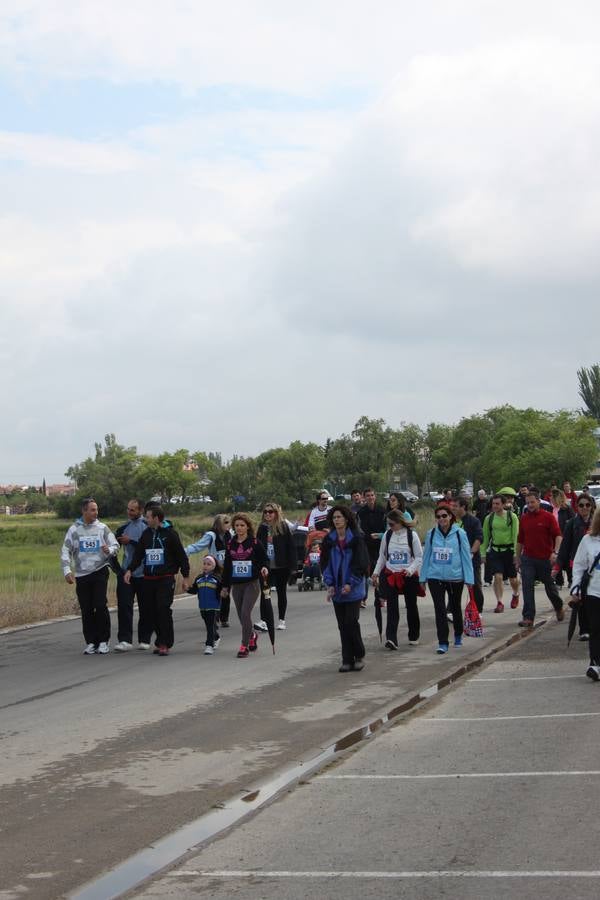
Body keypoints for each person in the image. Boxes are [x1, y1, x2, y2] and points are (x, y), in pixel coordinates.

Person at [123, 503, 190, 656]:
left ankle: (165, 643)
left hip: (165, 578)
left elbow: (181, 556)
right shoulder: (146, 534)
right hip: (149, 579)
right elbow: (139, 555)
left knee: (163, 608)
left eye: (148, 517)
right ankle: (160, 640)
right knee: (151, 611)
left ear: (157, 518)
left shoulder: (170, 534)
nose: (146, 520)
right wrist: (130, 570)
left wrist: (185, 577)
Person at [61, 498, 119, 654]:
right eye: (92, 510)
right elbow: (66, 549)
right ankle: (91, 642)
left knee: (100, 605)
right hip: (82, 574)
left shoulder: (102, 528)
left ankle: (103, 641)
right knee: (86, 608)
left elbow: (115, 544)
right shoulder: (74, 530)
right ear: (84, 511)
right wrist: (67, 570)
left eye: (97, 509)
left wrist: (110, 550)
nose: (96, 512)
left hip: (100, 570)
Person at [320, 505, 369, 672]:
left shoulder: (356, 538)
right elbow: (325, 563)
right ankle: (347, 659)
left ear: (347, 519)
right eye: (334, 518)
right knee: (342, 624)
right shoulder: (329, 540)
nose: (337, 520)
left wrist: (351, 583)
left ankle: (359, 655)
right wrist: (330, 584)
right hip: (337, 590)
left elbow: (361, 563)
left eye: (339, 517)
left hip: (353, 589)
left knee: (351, 622)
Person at [420, 504, 474, 654]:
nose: (441, 519)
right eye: (438, 517)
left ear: (450, 516)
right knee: (439, 609)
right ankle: (442, 642)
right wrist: (422, 578)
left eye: (444, 516)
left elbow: (466, 557)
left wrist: (469, 579)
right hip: (435, 576)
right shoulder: (431, 534)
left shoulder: (460, 533)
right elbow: (426, 557)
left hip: (455, 577)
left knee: (455, 607)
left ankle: (458, 634)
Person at [372, 509, 422, 649]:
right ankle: (391, 638)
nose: (390, 527)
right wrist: (376, 573)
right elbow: (382, 557)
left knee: (411, 605)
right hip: (391, 575)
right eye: (388, 524)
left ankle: (413, 634)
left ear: (400, 522)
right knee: (392, 607)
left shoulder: (412, 536)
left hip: (408, 576)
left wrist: (410, 570)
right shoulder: (387, 536)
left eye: (392, 524)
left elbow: (419, 557)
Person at [220, 513, 269, 658]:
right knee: (242, 616)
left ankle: (244, 645)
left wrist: (265, 567)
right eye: (237, 525)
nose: (239, 528)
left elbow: (264, 559)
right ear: (233, 527)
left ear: (247, 526)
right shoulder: (230, 544)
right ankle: (252, 635)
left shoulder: (254, 542)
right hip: (237, 585)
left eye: (242, 525)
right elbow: (228, 567)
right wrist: (225, 587)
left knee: (245, 613)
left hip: (251, 584)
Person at [515, 489, 564, 627]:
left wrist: (555, 552)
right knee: (527, 587)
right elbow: (520, 540)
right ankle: (528, 617)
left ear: (538, 502)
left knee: (550, 587)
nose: (530, 505)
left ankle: (558, 606)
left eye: (532, 502)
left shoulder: (548, 517)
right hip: (528, 559)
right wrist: (518, 558)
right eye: (527, 503)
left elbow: (558, 535)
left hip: (545, 559)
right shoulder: (524, 519)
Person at [557, 494, 596, 640]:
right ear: (577, 507)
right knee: (581, 598)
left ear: (592, 507)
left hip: (595, 568)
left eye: (587, 505)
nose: (584, 508)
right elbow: (565, 546)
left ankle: (594, 627)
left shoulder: (596, 524)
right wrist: (558, 566)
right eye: (581, 505)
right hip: (577, 566)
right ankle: (584, 629)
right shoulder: (571, 523)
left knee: (593, 598)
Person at [114, 499, 150, 651]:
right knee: (124, 607)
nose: (129, 513)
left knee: (146, 607)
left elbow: (148, 547)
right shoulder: (123, 528)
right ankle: (125, 640)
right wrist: (118, 570)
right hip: (126, 573)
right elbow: (113, 549)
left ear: (140, 510)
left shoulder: (148, 527)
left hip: (144, 574)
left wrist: (132, 541)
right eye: (128, 509)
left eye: (133, 510)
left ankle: (144, 639)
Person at [185, 513, 232, 626]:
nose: (228, 525)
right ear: (219, 524)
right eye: (225, 523)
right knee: (215, 593)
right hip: (214, 568)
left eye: (228, 522)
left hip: (226, 568)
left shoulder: (229, 534)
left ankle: (224, 618)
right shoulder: (211, 535)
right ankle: (214, 618)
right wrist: (184, 551)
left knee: (225, 593)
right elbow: (198, 546)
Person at [570, 506, 600, 681]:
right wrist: (576, 588)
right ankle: (595, 664)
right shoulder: (588, 540)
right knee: (596, 629)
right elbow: (579, 566)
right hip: (594, 592)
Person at [256, 503, 296, 630]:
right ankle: (264, 620)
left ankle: (281, 620)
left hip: (281, 566)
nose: (268, 514)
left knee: (281, 592)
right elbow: (256, 546)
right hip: (266, 567)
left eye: (271, 511)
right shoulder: (261, 528)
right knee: (265, 593)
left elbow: (291, 547)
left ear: (276, 513)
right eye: (265, 512)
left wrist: (293, 566)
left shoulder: (283, 527)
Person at [481, 495, 520, 613]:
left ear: (503, 504)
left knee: (513, 580)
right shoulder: (489, 518)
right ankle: (500, 602)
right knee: (498, 577)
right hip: (495, 551)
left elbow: (515, 536)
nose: (495, 506)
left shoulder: (511, 517)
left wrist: (515, 553)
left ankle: (516, 593)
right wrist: (483, 553)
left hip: (509, 552)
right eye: (493, 504)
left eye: (497, 504)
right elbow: (485, 536)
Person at [453, 497, 485, 613]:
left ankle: (478, 610)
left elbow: (479, 538)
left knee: (474, 585)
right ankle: (451, 610)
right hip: (455, 559)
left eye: (456, 506)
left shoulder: (473, 521)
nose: (453, 508)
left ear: (463, 507)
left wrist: (471, 552)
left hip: (471, 558)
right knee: (453, 585)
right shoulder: (452, 521)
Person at [357, 487, 386, 607]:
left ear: (375, 496)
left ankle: (380, 598)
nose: (370, 497)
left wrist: (380, 536)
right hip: (366, 545)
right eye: (368, 495)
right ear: (364, 497)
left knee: (380, 572)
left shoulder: (382, 510)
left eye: (372, 495)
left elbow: (387, 527)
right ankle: (362, 599)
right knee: (365, 571)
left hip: (380, 544)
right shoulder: (361, 512)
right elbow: (358, 529)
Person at [187, 555, 221, 655]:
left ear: (214, 566)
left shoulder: (217, 579)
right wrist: (187, 589)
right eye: (204, 564)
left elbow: (222, 591)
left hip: (214, 606)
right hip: (202, 606)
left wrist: (224, 593)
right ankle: (216, 637)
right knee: (209, 625)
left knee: (210, 626)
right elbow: (194, 590)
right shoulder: (199, 578)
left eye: (209, 564)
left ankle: (209, 645)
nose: (205, 566)